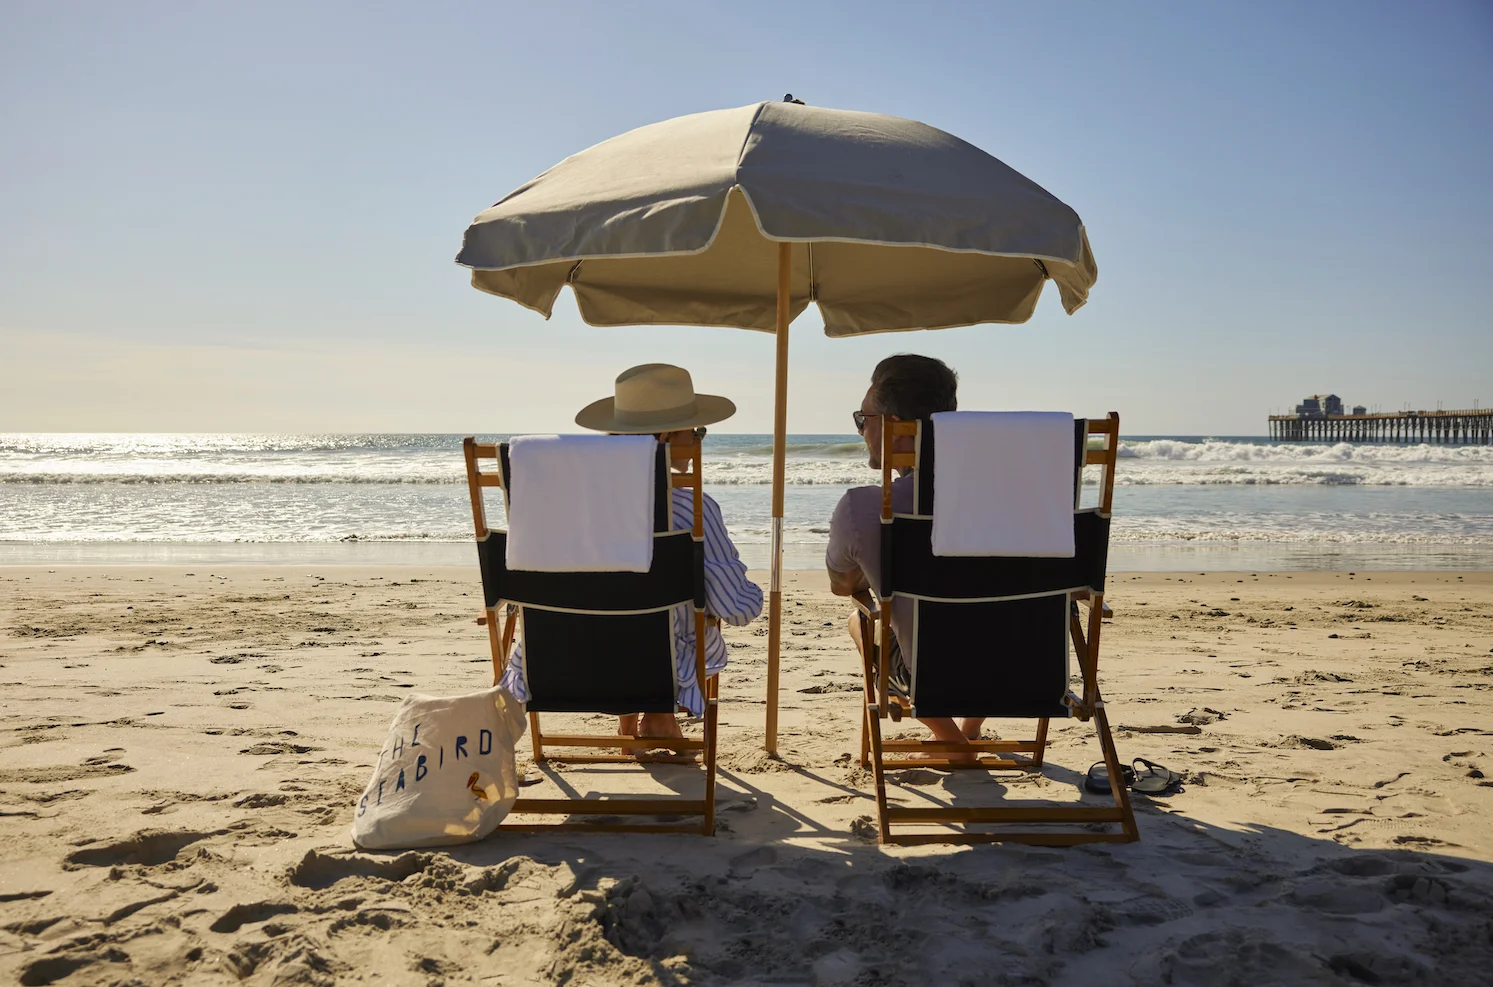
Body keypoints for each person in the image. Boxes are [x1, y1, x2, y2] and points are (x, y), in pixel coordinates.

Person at [498, 364, 763, 749]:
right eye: (698, 430)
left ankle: (628, 719)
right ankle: (659, 715)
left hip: (555, 660)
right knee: (693, 611)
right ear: (669, 435)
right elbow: (734, 606)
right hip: (659, 669)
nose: (700, 438)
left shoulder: (552, 507)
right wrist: (749, 597)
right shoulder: (691, 508)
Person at [825, 354, 986, 755]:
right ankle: (971, 729)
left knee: (858, 621)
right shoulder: (1017, 500)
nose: (861, 431)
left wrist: (875, 564)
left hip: (930, 675)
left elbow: (842, 585)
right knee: (989, 614)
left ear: (895, 427)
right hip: (1029, 670)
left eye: (864, 420)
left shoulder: (863, 509)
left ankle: (950, 739)